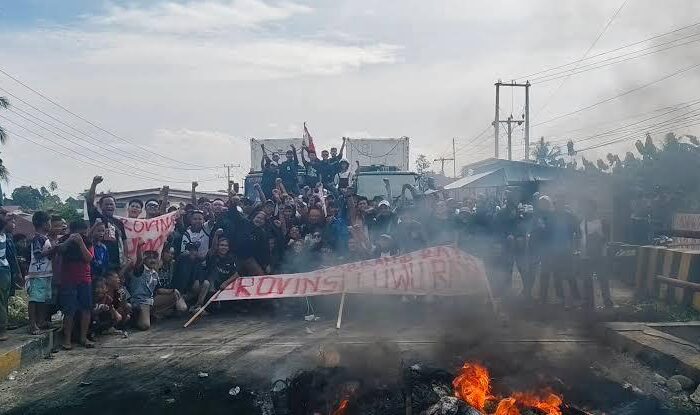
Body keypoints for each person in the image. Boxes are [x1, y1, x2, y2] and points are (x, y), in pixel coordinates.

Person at [128, 246, 186, 331]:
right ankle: (136, 317)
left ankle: (152, 314)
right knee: (145, 325)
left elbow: (158, 289)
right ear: (145, 260)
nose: (152, 260)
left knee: (174, 295)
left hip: (150, 300)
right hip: (140, 301)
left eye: (154, 258)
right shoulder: (140, 269)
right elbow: (139, 260)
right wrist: (139, 246)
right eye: (149, 258)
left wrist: (173, 290)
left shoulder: (154, 273)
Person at [57, 220, 94, 349]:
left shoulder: (87, 241)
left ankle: (83, 337)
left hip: (85, 279)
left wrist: (80, 243)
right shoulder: (64, 240)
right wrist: (70, 240)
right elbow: (60, 250)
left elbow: (89, 258)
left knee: (86, 308)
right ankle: (67, 339)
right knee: (69, 310)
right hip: (68, 280)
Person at [578, 199, 613, 309]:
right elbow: (580, 238)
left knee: (603, 279)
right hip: (586, 255)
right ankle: (589, 303)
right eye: (584, 207)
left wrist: (598, 238)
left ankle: (607, 302)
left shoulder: (602, 222)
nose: (585, 210)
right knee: (587, 279)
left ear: (594, 209)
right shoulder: (582, 222)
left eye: (588, 207)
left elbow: (607, 238)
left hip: (600, 255)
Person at [86, 176, 127, 271]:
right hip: (98, 263)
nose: (109, 206)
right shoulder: (96, 217)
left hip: (116, 264)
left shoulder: (119, 223)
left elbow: (124, 242)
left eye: (111, 204)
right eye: (106, 204)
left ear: (115, 206)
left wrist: (125, 259)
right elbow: (89, 202)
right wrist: (94, 184)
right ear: (100, 206)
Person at [27, 211, 58, 335]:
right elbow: (38, 254)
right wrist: (53, 250)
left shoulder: (45, 238)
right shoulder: (37, 238)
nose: (50, 225)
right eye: (49, 222)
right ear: (44, 224)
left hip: (46, 272)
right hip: (37, 273)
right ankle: (32, 324)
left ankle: (40, 321)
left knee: (43, 299)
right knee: (34, 299)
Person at [173, 210, 210, 311]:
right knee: (182, 307)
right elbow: (186, 253)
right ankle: (179, 301)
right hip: (187, 270)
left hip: (201, 268)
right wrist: (199, 256)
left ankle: (198, 306)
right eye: (195, 219)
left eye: (200, 219)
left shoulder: (206, 229)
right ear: (190, 220)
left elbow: (212, 220)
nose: (197, 221)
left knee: (206, 284)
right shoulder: (186, 234)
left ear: (203, 220)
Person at [0, 216, 21, 341]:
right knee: (3, 301)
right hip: (5, 270)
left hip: (1, 271)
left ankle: (2, 331)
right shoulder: (4, 237)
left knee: (1, 302)